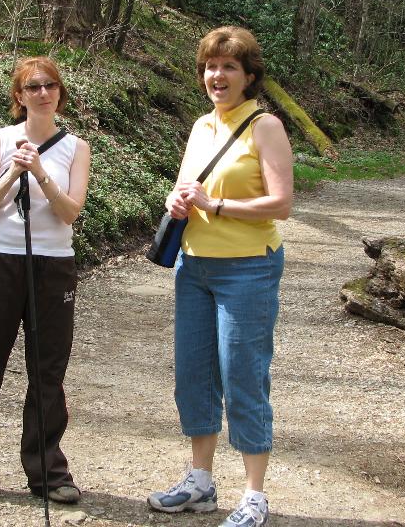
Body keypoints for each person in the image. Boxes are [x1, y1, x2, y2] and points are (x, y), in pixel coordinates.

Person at [147, 26, 293, 527]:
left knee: (243, 376)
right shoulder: (200, 127)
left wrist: (217, 205)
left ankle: (254, 495)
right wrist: (178, 200)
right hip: (193, 266)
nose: (218, 75)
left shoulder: (265, 126)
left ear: (249, 76)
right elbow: (187, 187)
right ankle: (200, 482)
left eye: (229, 66)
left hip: (248, 267)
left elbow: (281, 203)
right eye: (211, 66)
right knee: (194, 375)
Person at [0, 56, 90, 505]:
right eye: (33, 87)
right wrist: (13, 171)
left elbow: (70, 213)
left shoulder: (77, 148)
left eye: (51, 85)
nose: (43, 93)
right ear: (19, 96)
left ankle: (48, 471)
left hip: (54, 265)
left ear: (60, 93)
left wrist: (41, 174)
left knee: (48, 371)